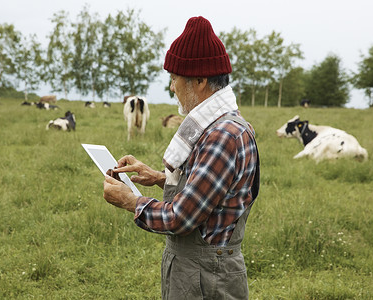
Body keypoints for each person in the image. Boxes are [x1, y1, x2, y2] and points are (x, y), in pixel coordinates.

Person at [103, 16, 260, 299]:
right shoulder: (222, 126)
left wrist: (130, 201)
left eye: (175, 78)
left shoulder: (221, 136)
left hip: (205, 279)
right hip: (200, 273)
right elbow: (210, 194)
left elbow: (181, 218)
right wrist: (159, 178)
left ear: (200, 81)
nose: (172, 87)